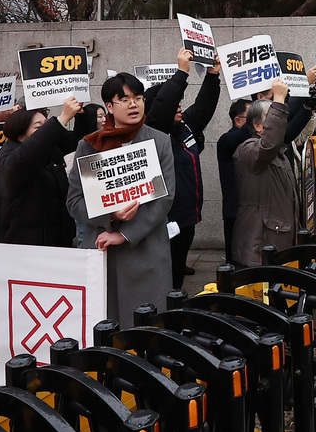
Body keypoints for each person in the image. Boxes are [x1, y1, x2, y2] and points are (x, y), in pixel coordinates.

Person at [67, 73, 176, 323]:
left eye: (138, 98)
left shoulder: (159, 141)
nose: (133, 104)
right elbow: (74, 201)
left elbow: (165, 198)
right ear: (109, 106)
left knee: (147, 328)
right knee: (107, 327)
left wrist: (125, 234)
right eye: (124, 99)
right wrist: (111, 215)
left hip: (146, 250)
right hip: (103, 252)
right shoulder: (89, 146)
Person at [144, 49, 222, 288]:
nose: (179, 107)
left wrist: (211, 76)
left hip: (188, 217)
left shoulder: (186, 126)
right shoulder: (154, 133)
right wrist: (181, 73)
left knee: (177, 269)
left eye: (180, 103)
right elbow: (161, 110)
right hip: (166, 220)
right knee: (165, 274)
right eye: (174, 104)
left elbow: (203, 107)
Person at [232, 78, 302, 266]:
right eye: (272, 118)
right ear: (257, 126)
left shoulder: (278, 153)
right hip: (260, 245)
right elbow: (269, 144)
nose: (279, 124)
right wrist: (278, 100)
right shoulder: (249, 150)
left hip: (278, 240)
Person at [0, 97, 83, 246]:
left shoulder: (52, 150)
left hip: (59, 238)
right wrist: (61, 119)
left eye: (46, 124)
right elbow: (28, 153)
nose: (45, 131)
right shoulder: (10, 158)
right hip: (27, 243)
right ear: (21, 135)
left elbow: (79, 139)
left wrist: (80, 114)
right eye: (38, 127)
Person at [216, 98, 251, 263]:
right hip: (235, 210)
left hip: (252, 207)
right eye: (252, 117)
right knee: (235, 259)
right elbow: (231, 141)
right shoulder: (227, 140)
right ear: (238, 120)